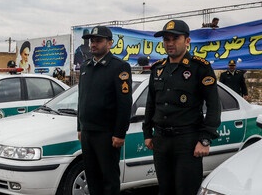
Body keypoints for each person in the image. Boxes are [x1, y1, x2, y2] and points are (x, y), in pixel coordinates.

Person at [142, 19, 221, 195]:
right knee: (165, 190)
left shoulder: (200, 68)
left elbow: (214, 106)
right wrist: (147, 133)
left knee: (186, 190)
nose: (170, 43)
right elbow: (151, 103)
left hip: (187, 142)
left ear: (187, 41)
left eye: (175, 39)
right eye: (166, 39)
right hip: (161, 141)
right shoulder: (158, 69)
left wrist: (205, 139)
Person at [77, 26, 133, 195]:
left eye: (98, 41)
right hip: (88, 133)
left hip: (107, 134)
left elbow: (124, 103)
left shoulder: (119, 67)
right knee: (92, 178)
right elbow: (82, 99)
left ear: (110, 43)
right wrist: (79, 127)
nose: (93, 44)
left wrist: (120, 133)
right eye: (92, 41)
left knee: (108, 179)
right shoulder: (86, 66)